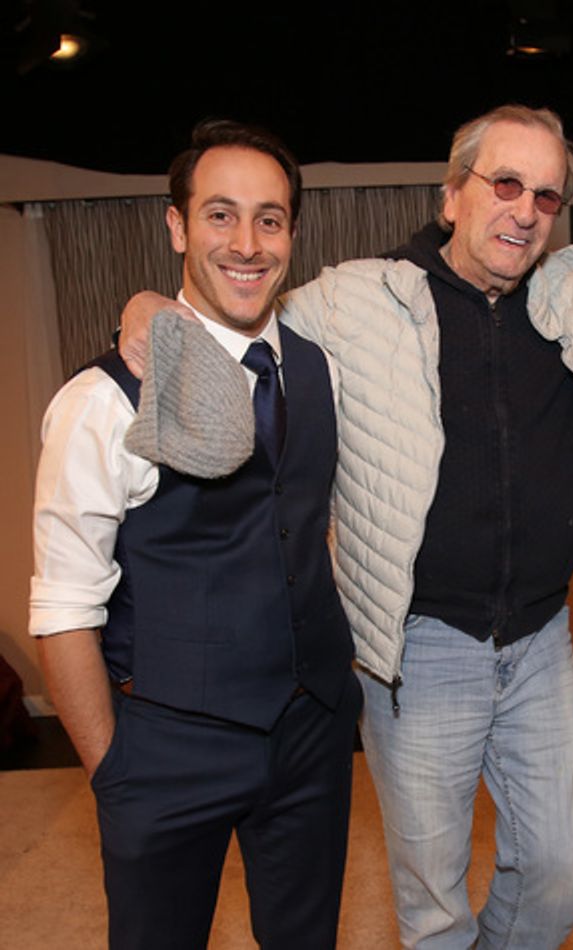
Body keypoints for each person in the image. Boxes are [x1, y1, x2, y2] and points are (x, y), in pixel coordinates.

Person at [114, 104, 573, 949]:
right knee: (435, 903)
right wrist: (154, 303)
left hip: (540, 641)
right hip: (418, 652)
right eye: (506, 184)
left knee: (558, 873)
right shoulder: (353, 300)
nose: (526, 210)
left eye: (548, 197)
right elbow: (239, 301)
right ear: (453, 196)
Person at [29, 120, 360, 949]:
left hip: (311, 732)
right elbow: (65, 605)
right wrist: (117, 775)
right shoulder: (102, 401)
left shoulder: (314, 367)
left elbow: (299, 526)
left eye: (270, 219)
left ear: (292, 232)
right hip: (169, 749)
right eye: (220, 215)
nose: (247, 243)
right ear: (177, 226)